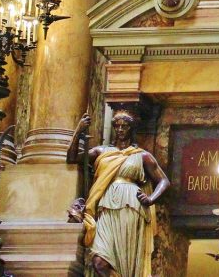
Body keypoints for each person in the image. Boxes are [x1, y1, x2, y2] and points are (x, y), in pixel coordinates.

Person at [67, 111, 170, 277]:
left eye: (124, 126)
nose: (120, 129)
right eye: (117, 126)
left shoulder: (142, 156)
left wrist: (151, 199)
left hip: (131, 208)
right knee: (99, 262)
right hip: (105, 206)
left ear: (131, 128)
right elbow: (72, 158)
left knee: (126, 261)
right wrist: (77, 133)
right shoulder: (102, 151)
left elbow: (164, 181)